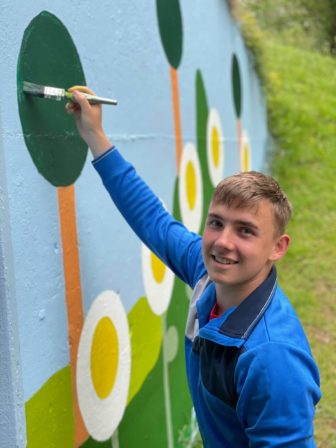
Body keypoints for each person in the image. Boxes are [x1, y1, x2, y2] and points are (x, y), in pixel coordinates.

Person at [67, 87, 321, 447]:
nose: (222, 242)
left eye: (245, 231)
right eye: (216, 222)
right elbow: (153, 220)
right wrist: (94, 134)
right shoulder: (207, 274)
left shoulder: (271, 357)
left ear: (277, 248)